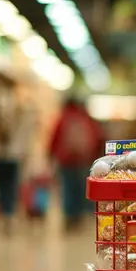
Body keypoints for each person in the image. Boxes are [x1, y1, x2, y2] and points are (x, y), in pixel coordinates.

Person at [48, 97, 103, 232]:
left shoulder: (63, 118)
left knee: (68, 188)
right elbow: (98, 137)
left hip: (66, 160)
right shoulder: (86, 118)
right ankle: (79, 217)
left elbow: (54, 138)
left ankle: (69, 216)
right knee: (81, 189)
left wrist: (50, 154)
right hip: (83, 160)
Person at [0, 95, 36, 235]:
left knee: (1, 186)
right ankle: (9, 215)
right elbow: (24, 139)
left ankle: (4, 214)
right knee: (11, 186)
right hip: (14, 156)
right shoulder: (22, 117)